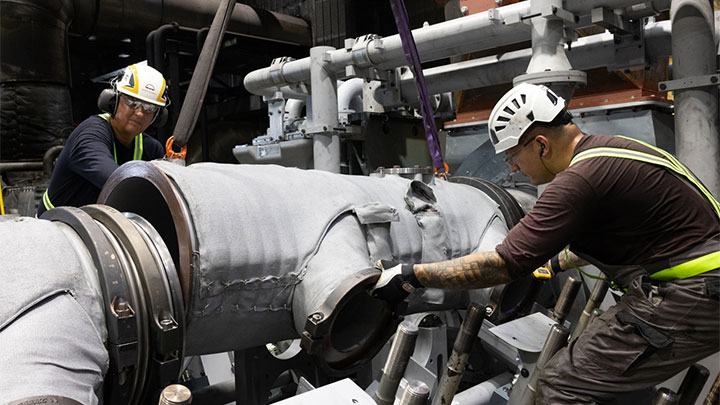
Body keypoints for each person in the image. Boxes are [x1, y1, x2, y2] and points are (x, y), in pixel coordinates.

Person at [372, 82, 720, 404]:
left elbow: (502, 263)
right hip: (698, 285)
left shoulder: (576, 182)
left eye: (511, 154)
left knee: (561, 384)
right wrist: (552, 265)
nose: (511, 168)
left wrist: (412, 275)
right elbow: (624, 232)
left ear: (541, 144)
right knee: (599, 375)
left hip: (689, 293)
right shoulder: (612, 150)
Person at [37, 64, 168, 217]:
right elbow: (116, 181)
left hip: (99, 229)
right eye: (132, 101)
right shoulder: (89, 135)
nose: (139, 113)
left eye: (149, 107)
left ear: (158, 116)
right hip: (56, 227)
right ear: (114, 100)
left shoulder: (151, 148)